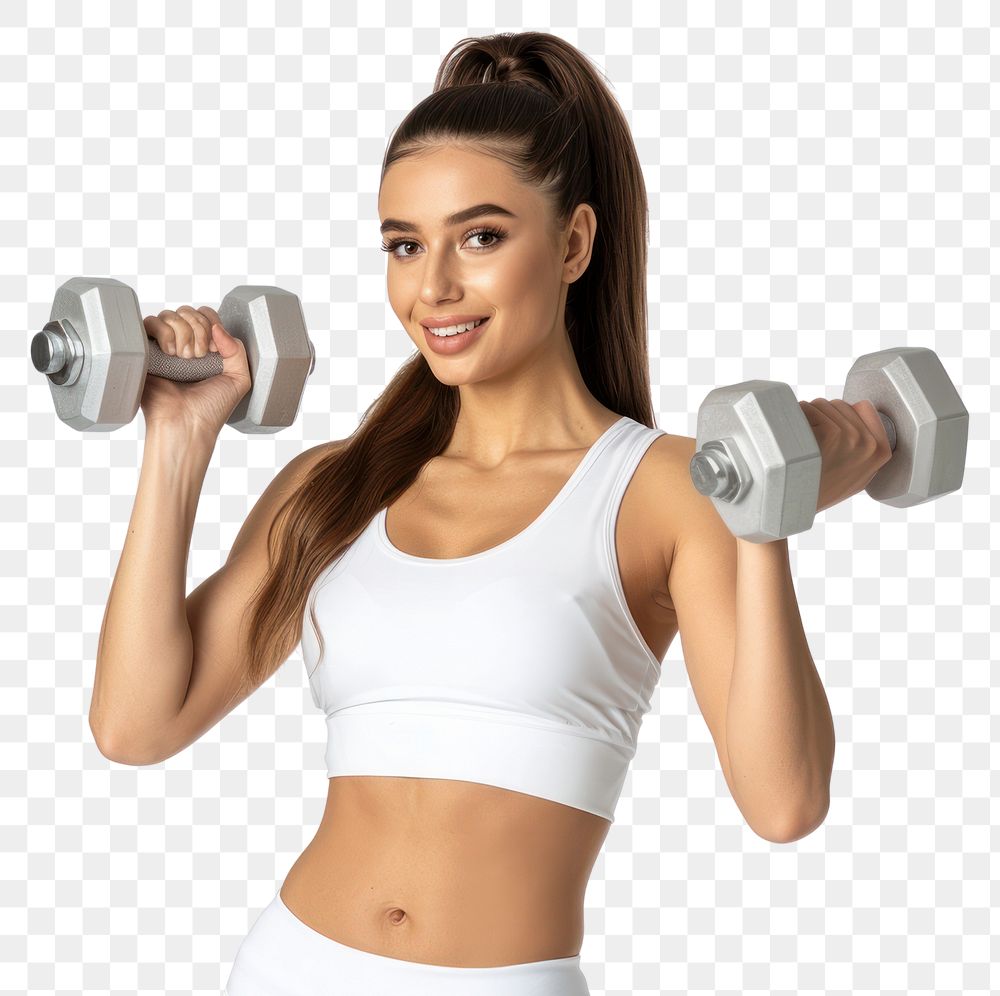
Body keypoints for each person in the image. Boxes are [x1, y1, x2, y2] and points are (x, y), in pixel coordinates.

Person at [92, 29, 842, 996]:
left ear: (573, 242)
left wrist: (764, 525)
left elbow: (783, 804)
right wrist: (178, 440)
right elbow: (135, 725)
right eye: (405, 246)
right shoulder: (339, 483)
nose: (433, 287)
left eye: (480, 237)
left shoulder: (664, 488)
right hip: (290, 968)